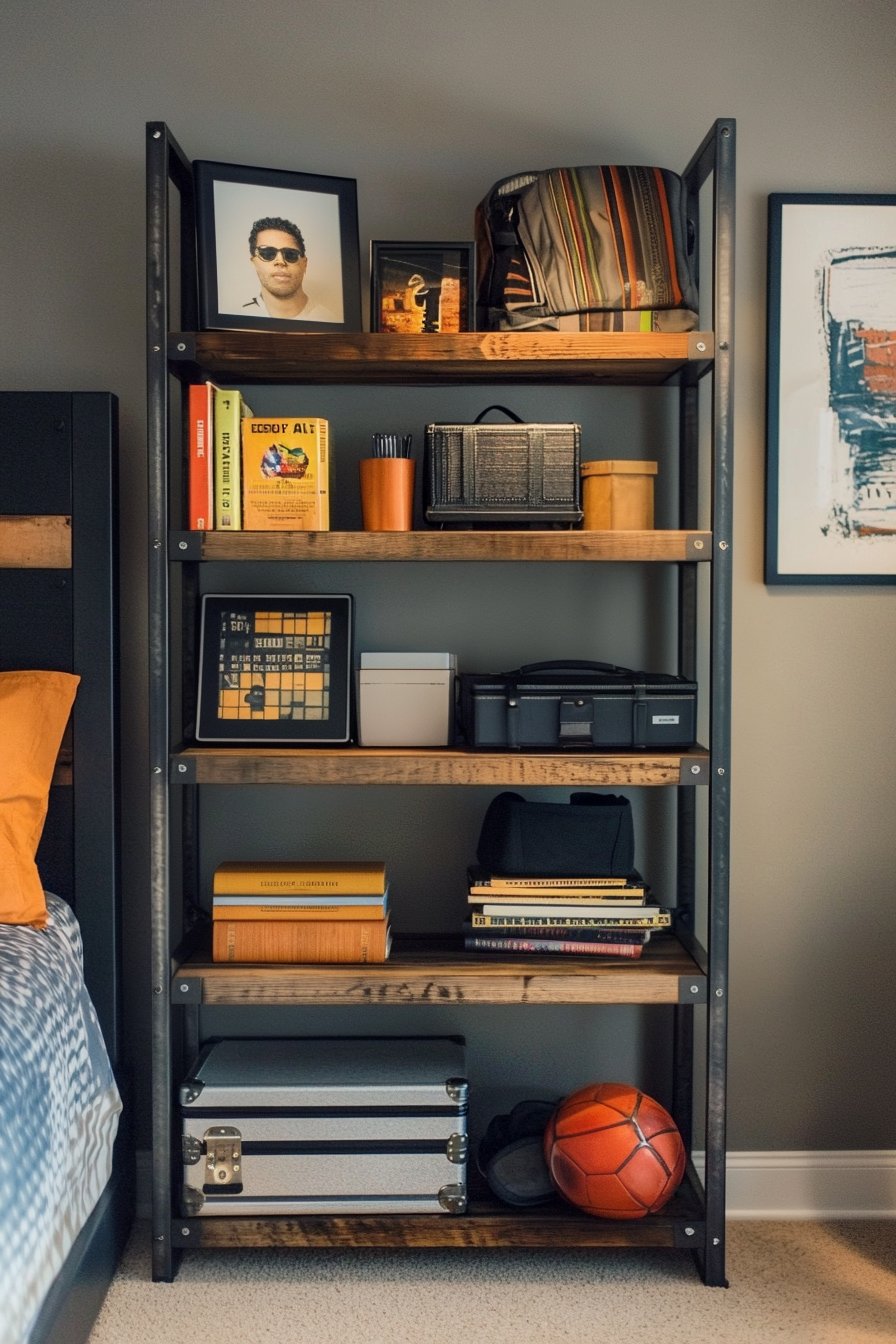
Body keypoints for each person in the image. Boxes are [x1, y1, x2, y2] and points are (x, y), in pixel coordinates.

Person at [242, 216, 338, 322]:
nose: (280, 262)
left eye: (290, 254)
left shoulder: (329, 320)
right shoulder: (239, 318)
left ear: (304, 264)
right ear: (254, 262)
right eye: (267, 253)